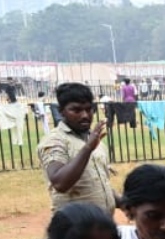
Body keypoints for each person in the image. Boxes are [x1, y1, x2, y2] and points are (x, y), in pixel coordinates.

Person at [38, 82, 117, 215]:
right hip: (74, 229)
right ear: (61, 111)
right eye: (76, 110)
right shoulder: (55, 141)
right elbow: (60, 183)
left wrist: (124, 201)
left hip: (102, 228)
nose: (85, 115)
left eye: (89, 109)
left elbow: (95, 185)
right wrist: (87, 148)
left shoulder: (93, 139)